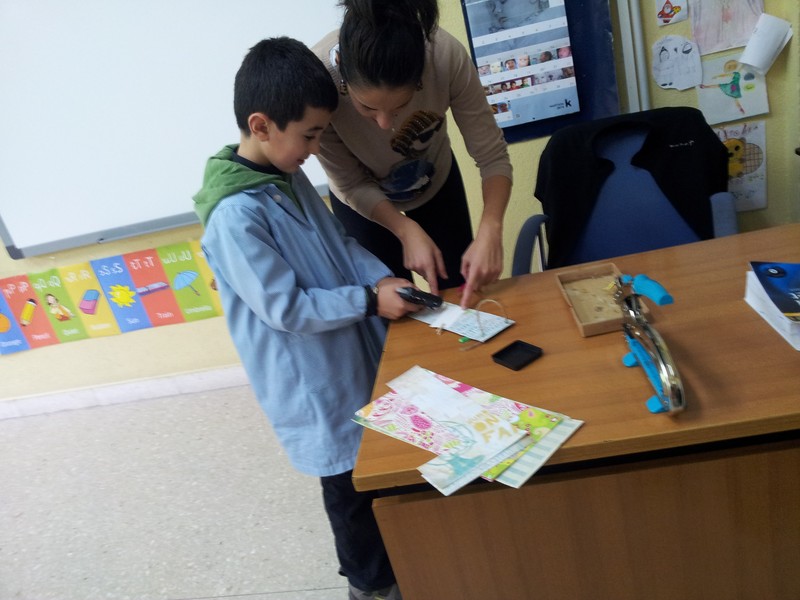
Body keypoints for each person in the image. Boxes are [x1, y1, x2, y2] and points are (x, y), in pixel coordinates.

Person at [192, 37, 419, 600]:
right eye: (310, 135)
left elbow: (341, 244)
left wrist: (380, 280)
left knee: (379, 474)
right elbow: (286, 309)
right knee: (349, 494)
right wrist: (368, 301)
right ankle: (369, 588)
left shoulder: (286, 177)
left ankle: (407, 564)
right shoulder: (235, 217)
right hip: (314, 383)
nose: (316, 150)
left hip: (350, 352)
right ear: (261, 125)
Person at [313, 0, 513, 308]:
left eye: (400, 107)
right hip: (360, 198)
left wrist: (491, 227)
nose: (384, 124)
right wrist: (404, 230)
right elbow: (351, 183)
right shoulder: (319, 80)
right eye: (367, 107)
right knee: (393, 302)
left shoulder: (444, 57)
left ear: (420, 77)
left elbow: (492, 156)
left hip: (434, 179)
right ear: (342, 73)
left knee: (458, 287)